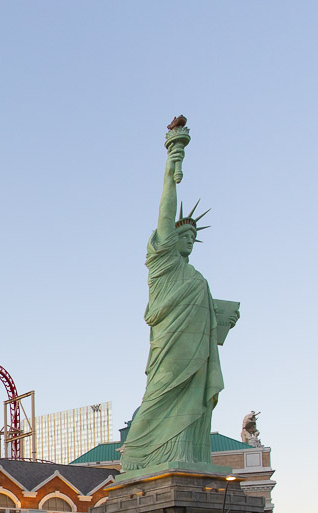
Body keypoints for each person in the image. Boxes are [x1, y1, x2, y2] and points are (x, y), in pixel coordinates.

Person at [120, 119, 238, 472]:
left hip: (196, 352)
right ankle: (137, 456)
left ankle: (186, 457)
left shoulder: (196, 276)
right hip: (169, 348)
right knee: (157, 399)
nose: (189, 238)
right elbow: (166, 211)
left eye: (193, 236)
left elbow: (204, 317)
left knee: (194, 403)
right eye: (183, 233)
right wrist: (174, 158)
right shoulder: (164, 262)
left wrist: (222, 319)